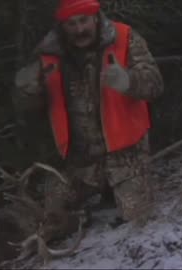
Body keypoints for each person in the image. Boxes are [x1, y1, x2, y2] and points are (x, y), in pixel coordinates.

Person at [12, 0, 164, 242]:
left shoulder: (124, 37)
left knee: (137, 218)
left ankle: (113, 193)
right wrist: (28, 91)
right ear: (63, 25)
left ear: (95, 16)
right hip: (81, 163)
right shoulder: (49, 55)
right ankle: (79, 219)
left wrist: (128, 81)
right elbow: (31, 109)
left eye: (83, 20)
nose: (79, 29)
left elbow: (155, 83)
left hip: (125, 156)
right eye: (71, 24)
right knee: (45, 212)